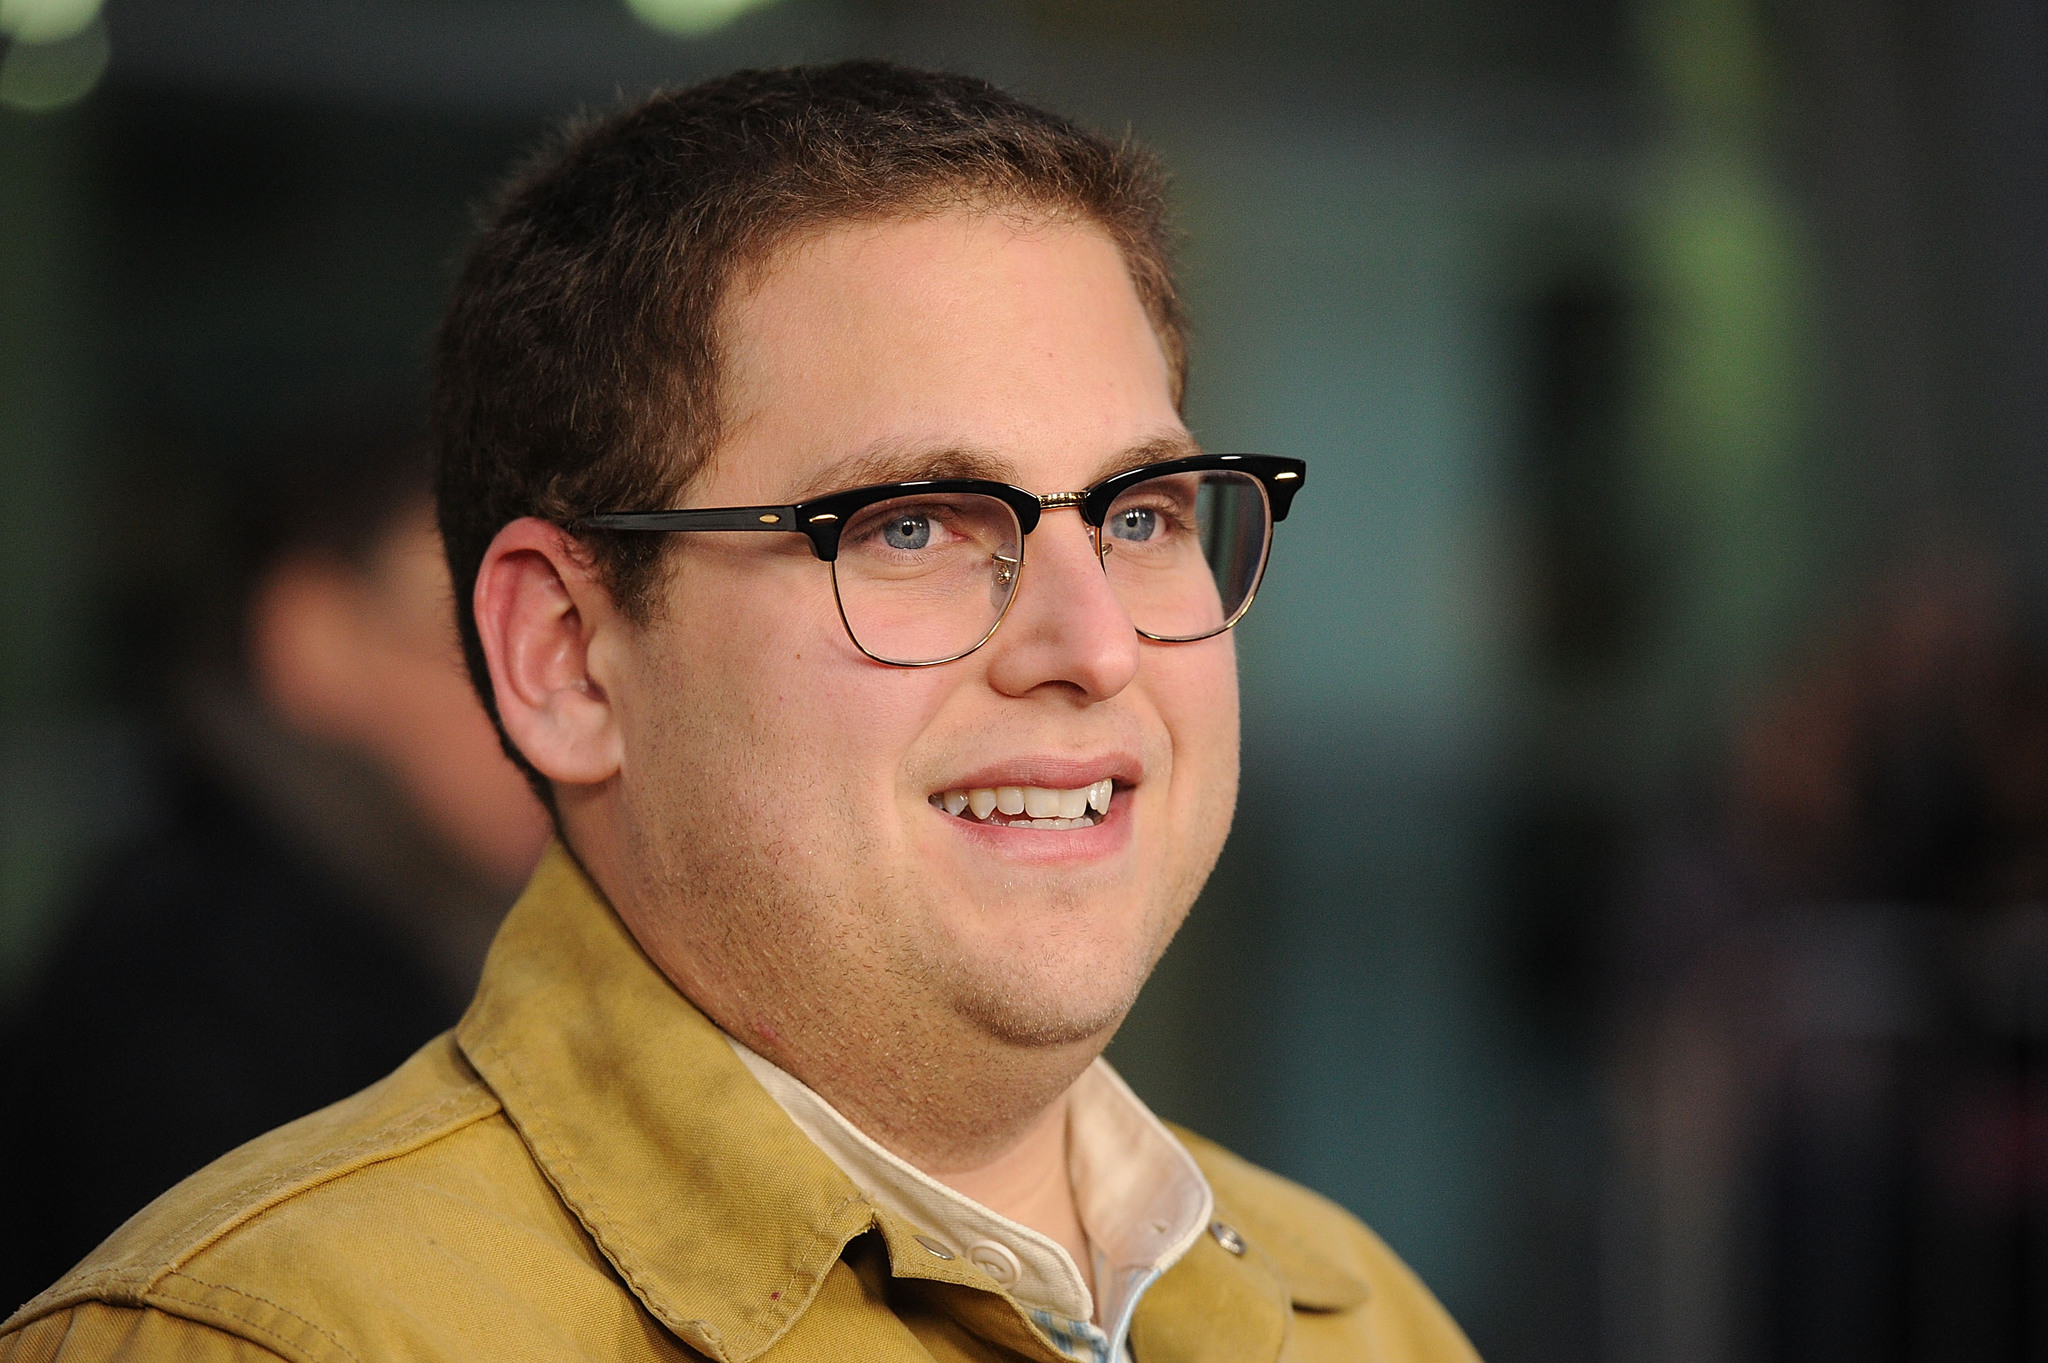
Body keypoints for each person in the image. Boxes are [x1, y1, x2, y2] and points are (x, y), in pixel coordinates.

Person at [0, 62, 1480, 1362]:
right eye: (912, 524)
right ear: (569, 657)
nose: (1092, 643)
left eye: (1144, 514)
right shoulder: (273, 1339)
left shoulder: (1357, 1311)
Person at [0, 419, 550, 1311]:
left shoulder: (361, 919)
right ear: (313, 639)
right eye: (485, 630)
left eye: (570, 625)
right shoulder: (203, 993)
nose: (556, 682)